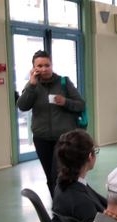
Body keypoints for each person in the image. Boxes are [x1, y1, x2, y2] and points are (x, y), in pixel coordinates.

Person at [16, 50, 85, 197]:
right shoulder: (32, 86)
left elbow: (80, 104)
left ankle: (64, 206)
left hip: (64, 138)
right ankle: (57, 205)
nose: (43, 69)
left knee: (59, 174)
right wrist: (31, 86)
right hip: (41, 138)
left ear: (51, 65)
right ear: (33, 68)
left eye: (47, 65)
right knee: (50, 175)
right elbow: (22, 106)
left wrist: (65, 101)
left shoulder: (64, 82)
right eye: (39, 66)